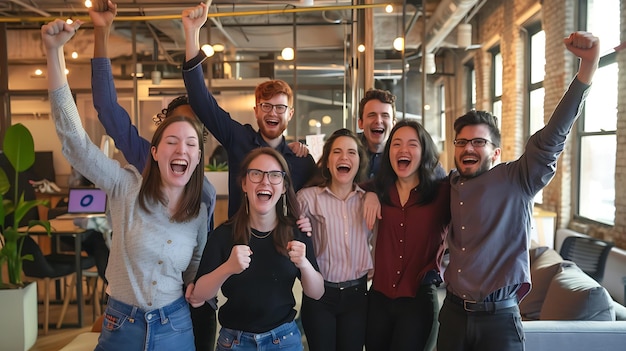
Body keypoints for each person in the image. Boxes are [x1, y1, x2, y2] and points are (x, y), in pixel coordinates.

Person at [43, 18, 207, 350]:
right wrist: (53, 52)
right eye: (172, 141)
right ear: (155, 152)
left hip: (175, 326)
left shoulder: (200, 211)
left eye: (191, 144)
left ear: (199, 157)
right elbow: (76, 143)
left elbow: (193, 276)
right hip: (122, 325)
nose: (182, 149)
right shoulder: (126, 186)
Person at [437, 31, 599, 351]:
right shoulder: (449, 184)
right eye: (462, 142)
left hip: (498, 319)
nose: (469, 148)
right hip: (453, 314)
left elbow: (551, 138)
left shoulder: (516, 179)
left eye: (479, 142)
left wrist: (587, 70)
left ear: (496, 152)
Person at [88, 2, 218, 349]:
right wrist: (101, 33)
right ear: (160, 138)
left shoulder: (204, 193)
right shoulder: (145, 158)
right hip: (135, 304)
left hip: (190, 303)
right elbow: (107, 108)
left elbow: (199, 257)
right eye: (173, 134)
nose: (181, 148)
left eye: (192, 136)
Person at [182, 1, 317, 218]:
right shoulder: (238, 139)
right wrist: (191, 33)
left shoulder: (301, 160)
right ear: (256, 110)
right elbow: (201, 101)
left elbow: (322, 195)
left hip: (284, 247)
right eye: (266, 106)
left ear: (290, 113)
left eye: (280, 107)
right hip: (239, 241)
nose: (273, 112)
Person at [185, 147, 324, 351]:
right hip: (234, 342)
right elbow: (200, 293)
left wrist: (304, 264)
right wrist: (228, 268)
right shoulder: (224, 235)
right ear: (244, 183)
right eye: (256, 174)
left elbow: (317, 292)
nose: (265, 181)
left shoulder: (296, 232)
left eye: (275, 175)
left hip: (284, 340)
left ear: (284, 187)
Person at [364, 120, 450, 351]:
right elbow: (343, 189)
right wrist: (369, 194)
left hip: (418, 300)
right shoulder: (378, 190)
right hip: (378, 300)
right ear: (389, 151)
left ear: (424, 152)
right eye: (396, 144)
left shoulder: (443, 192)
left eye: (412, 144)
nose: (403, 150)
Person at [296, 129, 373, 351]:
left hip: (358, 295)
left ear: (359, 162)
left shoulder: (367, 201)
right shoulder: (308, 198)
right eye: (337, 152)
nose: (344, 157)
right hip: (320, 296)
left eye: (351, 152)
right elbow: (285, 230)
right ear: (327, 162)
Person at [357, 89, 396, 179]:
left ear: (394, 124)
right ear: (361, 123)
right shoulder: (348, 149)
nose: (378, 121)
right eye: (372, 115)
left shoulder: (402, 154)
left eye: (385, 115)